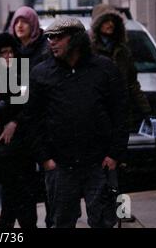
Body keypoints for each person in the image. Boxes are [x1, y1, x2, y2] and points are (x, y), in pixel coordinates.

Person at [27, 17, 129, 228]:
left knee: (104, 221)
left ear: (75, 39)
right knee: (61, 222)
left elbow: (120, 113)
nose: (52, 42)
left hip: (99, 163)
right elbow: (33, 119)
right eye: (49, 37)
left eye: (58, 37)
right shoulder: (41, 73)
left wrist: (114, 154)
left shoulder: (105, 69)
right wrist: (45, 158)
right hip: (61, 165)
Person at [0, 32, 38, 229]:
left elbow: (30, 105)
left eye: (11, 52)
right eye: (3, 53)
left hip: (24, 143)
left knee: (22, 195)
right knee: (11, 195)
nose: (8, 56)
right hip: (2, 144)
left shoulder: (23, 72)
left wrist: (15, 121)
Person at [8, 6, 51, 226]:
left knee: (48, 182)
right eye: (16, 22)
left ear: (33, 24)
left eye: (24, 21)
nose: (20, 26)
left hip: (42, 126)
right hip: (21, 129)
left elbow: (37, 94)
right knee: (22, 183)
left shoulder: (45, 50)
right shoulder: (11, 51)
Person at [90, 4, 151, 130]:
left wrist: (146, 110)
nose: (111, 24)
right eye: (106, 20)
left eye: (113, 21)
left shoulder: (123, 51)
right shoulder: (89, 50)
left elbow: (132, 83)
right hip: (97, 116)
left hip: (121, 115)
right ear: (98, 24)